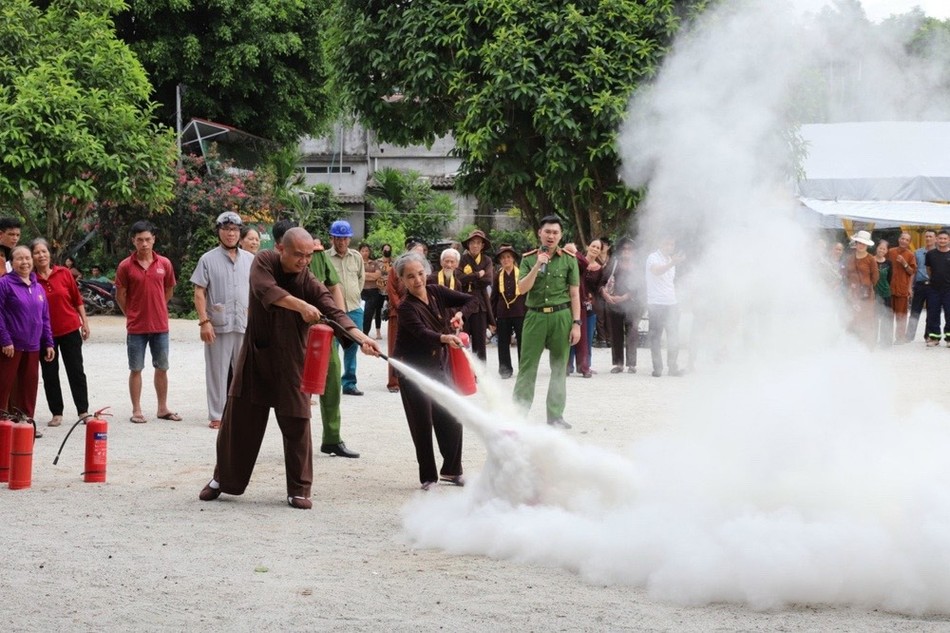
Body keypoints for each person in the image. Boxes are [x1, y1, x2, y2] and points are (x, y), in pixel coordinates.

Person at [198, 228, 380, 509]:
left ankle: (298, 489)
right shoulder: (264, 261)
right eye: (298, 255)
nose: (304, 261)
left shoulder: (307, 279)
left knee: (298, 422)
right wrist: (300, 306)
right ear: (282, 248)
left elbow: (332, 310)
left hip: (292, 360)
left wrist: (361, 337)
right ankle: (223, 480)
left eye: (308, 256)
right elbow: (265, 289)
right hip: (256, 357)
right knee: (238, 423)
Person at [392, 250, 476, 489]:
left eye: (420, 273)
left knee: (452, 413)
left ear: (427, 272)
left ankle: (452, 470)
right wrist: (445, 338)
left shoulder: (436, 291)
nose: (417, 280)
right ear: (403, 280)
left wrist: (460, 314)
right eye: (410, 276)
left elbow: (472, 300)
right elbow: (422, 334)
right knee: (422, 422)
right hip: (413, 369)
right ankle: (428, 477)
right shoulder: (406, 307)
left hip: (436, 366)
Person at [512, 216, 582, 429]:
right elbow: (522, 289)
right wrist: (537, 266)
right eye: (547, 232)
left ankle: (555, 416)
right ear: (539, 233)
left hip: (562, 316)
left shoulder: (570, 259)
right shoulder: (528, 259)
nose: (551, 236)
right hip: (535, 317)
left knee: (559, 367)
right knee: (527, 368)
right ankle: (518, 417)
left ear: (560, 236)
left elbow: (574, 294)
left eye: (555, 232)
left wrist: (576, 323)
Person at [190, 212, 254, 430]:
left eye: (235, 230)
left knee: (244, 371)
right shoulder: (207, 259)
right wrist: (204, 322)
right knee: (217, 371)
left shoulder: (250, 260)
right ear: (219, 231)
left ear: (240, 233)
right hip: (217, 323)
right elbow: (199, 292)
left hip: (244, 322)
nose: (231, 233)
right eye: (226, 229)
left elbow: (258, 291)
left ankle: (242, 412)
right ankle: (217, 414)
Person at [115, 220, 180, 424]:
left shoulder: (164, 264)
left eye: (148, 239)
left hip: (160, 325)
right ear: (133, 241)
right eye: (140, 240)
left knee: (162, 367)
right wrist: (132, 313)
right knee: (136, 368)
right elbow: (120, 295)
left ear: (154, 240)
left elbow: (168, 289)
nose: (144, 244)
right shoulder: (125, 266)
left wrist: (158, 306)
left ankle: (162, 408)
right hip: (136, 327)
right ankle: (137, 409)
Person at [307, 231, 360, 459]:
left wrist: (340, 323)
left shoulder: (318, 257)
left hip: (322, 332)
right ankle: (297, 443)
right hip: (293, 335)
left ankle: (331, 439)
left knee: (331, 382)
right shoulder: (271, 260)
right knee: (296, 391)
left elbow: (334, 286)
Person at [32, 238, 90, 427]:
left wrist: (85, 323)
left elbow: (77, 299)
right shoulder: (31, 279)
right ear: (32, 256)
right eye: (37, 252)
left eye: (44, 251)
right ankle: (56, 412)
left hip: (70, 329)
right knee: (49, 373)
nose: (41, 255)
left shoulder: (64, 273)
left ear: (50, 254)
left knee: (76, 371)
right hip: (45, 334)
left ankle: (83, 411)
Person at [0, 246, 54, 430]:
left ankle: (25, 424)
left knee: (29, 388)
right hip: (11, 347)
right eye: (19, 259)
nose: (25, 262)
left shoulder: (37, 287)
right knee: (4, 385)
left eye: (27, 258)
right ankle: (3, 425)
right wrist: (5, 339)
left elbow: (44, 317)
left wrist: (48, 342)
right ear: (11, 263)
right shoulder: (5, 284)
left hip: (33, 346)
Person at [328, 220, 366, 396]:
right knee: (332, 347)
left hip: (354, 309)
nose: (341, 242)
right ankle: (331, 382)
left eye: (345, 238)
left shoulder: (356, 257)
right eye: (338, 238)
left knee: (352, 347)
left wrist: (354, 295)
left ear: (349, 239)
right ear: (332, 238)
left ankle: (349, 383)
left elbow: (361, 278)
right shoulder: (325, 257)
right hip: (332, 311)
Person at [384, 239, 426, 393]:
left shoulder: (423, 270)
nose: (419, 255)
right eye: (416, 251)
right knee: (395, 347)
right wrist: (403, 307)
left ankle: (413, 379)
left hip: (418, 312)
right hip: (398, 313)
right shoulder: (396, 268)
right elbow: (391, 290)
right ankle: (394, 381)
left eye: (422, 252)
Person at [601, 236, 642, 374]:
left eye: (629, 249)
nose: (626, 251)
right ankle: (618, 364)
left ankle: (632, 364)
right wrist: (606, 295)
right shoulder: (613, 264)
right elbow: (602, 282)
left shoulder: (638, 266)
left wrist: (625, 296)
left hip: (632, 304)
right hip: (614, 303)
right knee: (616, 333)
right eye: (624, 248)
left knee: (632, 332)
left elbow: (642, 285)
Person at [645, 235, 685, 377]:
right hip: (656, 303)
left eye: (672, 244)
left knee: (673, 336)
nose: (669, 247)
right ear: (660, 243)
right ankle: (658, 368)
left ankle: (673, 367)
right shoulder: (653, 257)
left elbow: (670, 283)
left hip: (672, 303)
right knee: (655, 337)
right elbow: (656, 271)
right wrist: (672, 263)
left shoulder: (670, 260)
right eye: (666, 244)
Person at [458, 229, 495, 361]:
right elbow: (459, 279)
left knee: (480, 343)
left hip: (480, 306)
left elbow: (488, 280)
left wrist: (469, 278)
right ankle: (465, 372)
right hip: (464, 304)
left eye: (478, 243)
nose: (475, 245)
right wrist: (477, 275)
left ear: (482, 245)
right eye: (472, 242)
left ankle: (481, 373)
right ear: (468, 244)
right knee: (463, 339)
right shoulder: (462, 260)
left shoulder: (487, 260)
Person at [491, 245, 526, 379]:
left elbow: (527, 294)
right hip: (503, 313)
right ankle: (505, 368)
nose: (506, 260)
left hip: (520, 312)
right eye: (503, 258)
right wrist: (492, 319)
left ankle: (524, 368)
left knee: (523, 342)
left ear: (513, 259)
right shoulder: (497, 276)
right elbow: (493, 298)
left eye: (508, 257)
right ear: (500, 261)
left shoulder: (521, 273)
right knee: (503, 342)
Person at [843, 230, 879, 348]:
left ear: (867, 245)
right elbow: (846, 275)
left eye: (863, 243)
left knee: (867, 318)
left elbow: (875, 277)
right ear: (856, 243)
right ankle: (852, 344)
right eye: (859, 243)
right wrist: (851, 287)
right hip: (852, 293)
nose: (861, 245)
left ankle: (868, 344)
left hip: (866, 294)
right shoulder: (849, 259)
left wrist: (866, 286)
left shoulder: (871, 259)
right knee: (851, 317)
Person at [886, 231, 916, 343]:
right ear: (899, 239)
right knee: (888, 314)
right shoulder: (890, 252)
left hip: (902, 289)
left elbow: (912, 271)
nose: (904, 241)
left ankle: (900, 338)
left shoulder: (910, 254)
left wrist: (904, 263)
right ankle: (887, 337)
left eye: (907, 240)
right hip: (889, 288)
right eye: (902, 238)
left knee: (901, 315)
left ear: (909, 242)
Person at [906, 229, 935, 342]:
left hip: (934, 286)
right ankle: (909, 336)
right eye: (926, 236)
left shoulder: (939, 253)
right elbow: (913, 271)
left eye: (930, 236)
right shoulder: (917, 252)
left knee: (932, 311)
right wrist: (909, 287)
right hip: (919, 285)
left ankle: (928, 336)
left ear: (935, 238)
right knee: (915, 311)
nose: (928, 238)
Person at [924, 228, 950, 347]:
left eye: (945, 238)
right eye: (940, 238)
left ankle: (949, 338)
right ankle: (934, 337)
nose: (942, 240)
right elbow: (929, 270)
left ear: (948, 240)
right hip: (934, 289)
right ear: (936, 240)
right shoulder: (930, 254)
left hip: (948, 289)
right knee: (933, 313)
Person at [359, 243, 384, 339]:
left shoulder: (374, 263)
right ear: (359, 251)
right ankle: (358, 333)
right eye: (363, 251)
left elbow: (377, 275)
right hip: (361, 291)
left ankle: (365, 333)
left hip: (373, 292)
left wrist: (363, 275)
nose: (365, 253)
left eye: (367, 251)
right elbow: (356, 275)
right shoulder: (357, 262)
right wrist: (370, 275)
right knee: (360, 313)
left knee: (369, 314)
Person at [873, 239, 893, 346]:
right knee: (874, 316)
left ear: (886, 251)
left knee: (886, 317)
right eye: (880, 247)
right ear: (876, 248)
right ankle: (872, 339)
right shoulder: (871, 260)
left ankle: (886, 341)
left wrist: (885, 288)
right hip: (874, 293)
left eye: (884, 249)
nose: (882, 250)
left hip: (886, 293)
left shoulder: (889, 263)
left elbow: (890, 278)